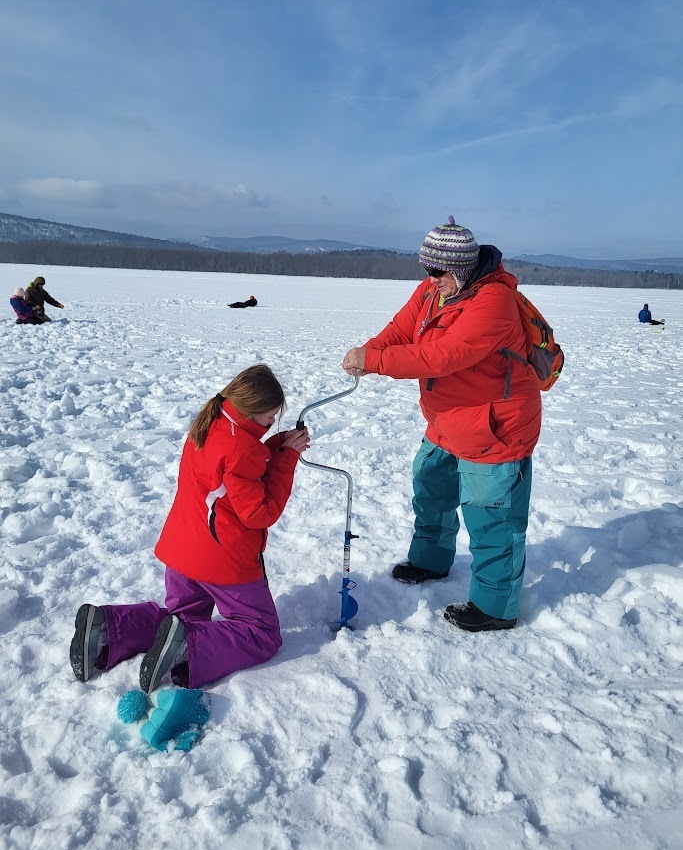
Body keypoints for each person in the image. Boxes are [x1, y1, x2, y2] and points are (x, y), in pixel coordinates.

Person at [342, 217, 542, 632]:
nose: (431, 279)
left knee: (492, 520)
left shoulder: (494, 302)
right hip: (447, 421)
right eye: (426, 270)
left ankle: (495, 607)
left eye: (439, 272)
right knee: (430, 489)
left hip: (495, 429)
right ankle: (431, 562)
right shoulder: (434, 289)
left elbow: (443, 355)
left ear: (464, 268)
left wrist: (375, 363)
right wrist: (370, 350)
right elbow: (401, 329)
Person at [69, 364, 310, 692]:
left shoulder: (210, 422)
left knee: (180, 619)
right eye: (270, 419)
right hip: (223, 561)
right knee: (261, 633)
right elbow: (259, 513)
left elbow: (234, 470)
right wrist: (286, 459)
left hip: (183, 551)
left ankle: (109, 628)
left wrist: (276, 445)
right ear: (252, 410)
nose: (272, 424)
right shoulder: (244, 449)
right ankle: (187, 648)